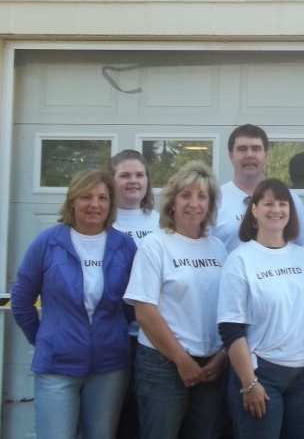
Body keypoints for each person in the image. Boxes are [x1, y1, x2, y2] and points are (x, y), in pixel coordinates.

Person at [11, 169, 137, 439]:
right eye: (86, 196)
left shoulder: (124, 246)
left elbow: (131, 304)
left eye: (103, 198)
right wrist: (47, 338)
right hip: (57, 366)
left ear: (111, 204)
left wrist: (111, 333)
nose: (95, 204)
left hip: (109, 367)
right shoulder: (47, 242)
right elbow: (21, 301)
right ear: (72, 201)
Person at [217, 178, 304, 439]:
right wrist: (248, 382)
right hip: (262, 373)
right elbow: (230, 328)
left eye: (283, 204)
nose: (276, 210)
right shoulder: (241, 259)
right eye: (268, 203)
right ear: (254, 210)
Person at [124, 161, 229, 439]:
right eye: (186, 195)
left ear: (210, 205)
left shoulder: (218, 248)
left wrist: (221, 357)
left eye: (202, 196)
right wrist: (182, 360)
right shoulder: (156, 245)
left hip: (210, 367)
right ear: (172, 203)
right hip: (164, 365)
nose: (194, 203)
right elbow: (145, 312)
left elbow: (230, 307)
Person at [110, 149, 161, 439]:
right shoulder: (102, 222)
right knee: (116, 417)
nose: (133, 181)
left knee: (146, 416)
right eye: (125, 175)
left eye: (139, 175)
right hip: (114, 338)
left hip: (153, 338)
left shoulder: (161, 223)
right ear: (111, 179)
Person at [212, 124, 304, 252]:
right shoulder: (215, 200)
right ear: (231, 156)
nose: (249, 155)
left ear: (266, 155)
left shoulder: (289, 198)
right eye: (242, 149)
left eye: (256, 149)